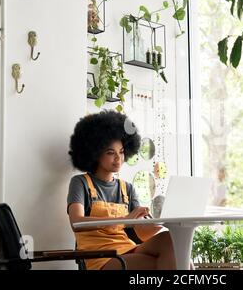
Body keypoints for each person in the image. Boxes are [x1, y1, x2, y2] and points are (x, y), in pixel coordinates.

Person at [67, 110, 176, 270]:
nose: (118, 158)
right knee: (173, 263)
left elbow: (140, 234)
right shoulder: (80, 182)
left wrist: (162, 221)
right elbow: (76, 223)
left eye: (122, 152)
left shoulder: (128, 188)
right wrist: (124, 219)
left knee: (170, 239)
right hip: (100, 258)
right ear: (95, 154)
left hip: (127, 249)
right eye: (111, 153)